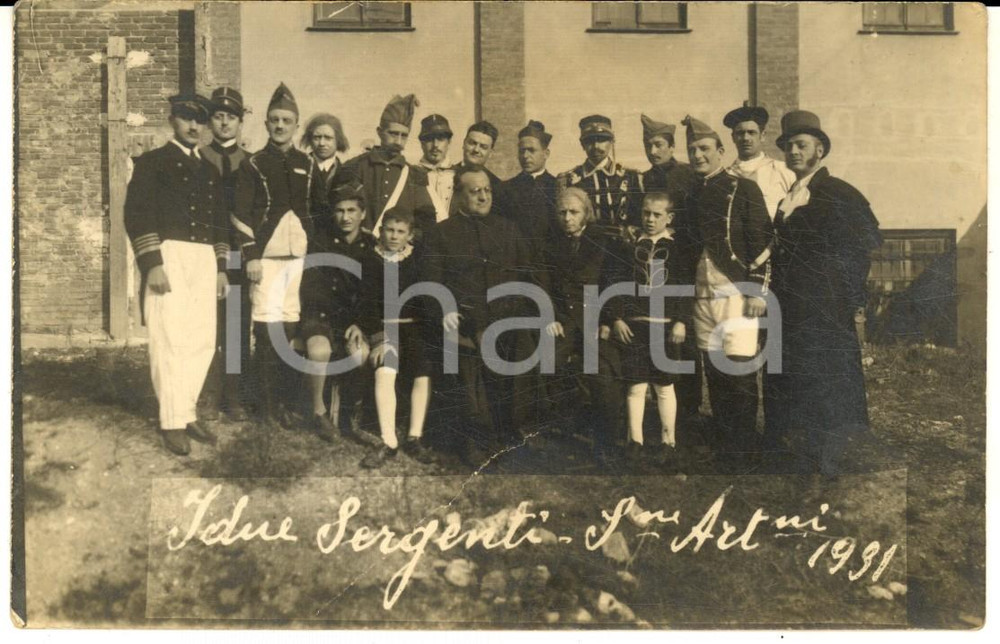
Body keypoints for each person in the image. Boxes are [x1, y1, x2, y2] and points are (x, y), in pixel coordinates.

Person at [766, 110, 882, 475]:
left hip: (823, 305)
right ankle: (799, 449)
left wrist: (843, 294)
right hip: (790, 303)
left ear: (820, 149)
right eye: (789, 147)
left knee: (825, 377)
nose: (794, 152)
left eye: (802, 145)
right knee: (796, 374)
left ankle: (827, 456)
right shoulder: (791, 194)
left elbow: (863, 246)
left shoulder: (836, 192)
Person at [124, 93, 228, 455]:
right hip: (168, 254)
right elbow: (136, 214)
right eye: (187, 119)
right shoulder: (153, 162)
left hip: (202, 260)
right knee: (169, 337)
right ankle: (171, 421)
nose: (194, 127)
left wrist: (220, 267)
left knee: (201, 339)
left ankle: (186, 411)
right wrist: (152, 262)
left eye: (201, 120)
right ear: (173, 120)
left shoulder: (210, 170)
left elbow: (219, 223)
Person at [421, 168, 536, 467]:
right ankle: (472, 438)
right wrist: (444, 309)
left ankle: (507, 433)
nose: (484, 196)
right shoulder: (441, 233)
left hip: (506, 319)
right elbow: (431, 282)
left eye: (487, 190)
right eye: (475, 191)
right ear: (459, 194)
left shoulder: (508, 229)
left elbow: (528, 274)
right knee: (466, 364)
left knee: (515, 357)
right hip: (465, 322)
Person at [233, 82, 327, 430]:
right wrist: (252, 255)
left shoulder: (308, 164)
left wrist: (313, 249)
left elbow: (319, 210)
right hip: (267, 260)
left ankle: (286, 403)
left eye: (287, 120)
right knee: (267, 328)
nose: (280, 125)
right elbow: (240, 214)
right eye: (274, 119)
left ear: (297, 124)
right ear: (267, 123)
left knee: (289, 327)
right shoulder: (254, 164)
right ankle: (267, 406)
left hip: (298, 259)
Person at [681, 115, 772, 469]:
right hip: (702, 295)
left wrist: (757, 291)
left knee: (739, 373)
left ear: (721, 151)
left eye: (704, 148)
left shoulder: (742, 188)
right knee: (714, 371)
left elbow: (762, 242)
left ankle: (745, 450)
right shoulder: (690, 192)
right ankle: (724, 444)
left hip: (736, 292)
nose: (698, 155)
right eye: (692, 150)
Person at [539, 187, 622, 467]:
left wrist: (608, 321)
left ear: (586, 213)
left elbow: (612, 285)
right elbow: (544, 284)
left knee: (600, 374)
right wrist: (549, 317)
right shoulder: (550, 243)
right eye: (562, 212)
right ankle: (565, 427)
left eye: (573, 212)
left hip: (595, 322)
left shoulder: (603, 243)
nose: (567, 218)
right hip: (563, 321)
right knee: (549, 362)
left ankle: (605, 442)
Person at [606, 192, 691, 468]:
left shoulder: (677, 248)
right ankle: (636, 441)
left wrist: (681, 320)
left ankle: (670, 442)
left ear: (669, 217)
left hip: (665, 327)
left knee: (664, 385)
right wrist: (617, 318)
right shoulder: (628, 246)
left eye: (657, 215)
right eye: (646, 213)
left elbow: (686, 287)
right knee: (636, 385)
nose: (650, 219)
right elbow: (615, 283)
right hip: (634, 326)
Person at [350, 209, 436, 468]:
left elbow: (424, 298)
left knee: (423, 372)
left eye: (400, 232)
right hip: (384, 329)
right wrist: (379, 338)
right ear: (380, 231)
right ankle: (389, 441)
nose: (394, 236)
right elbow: (366, 303)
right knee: (385, 370)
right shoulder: (369, 260)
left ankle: (414, 436)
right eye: (389, 230)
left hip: (412, 328)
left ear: (410, 235)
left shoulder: (416, 260)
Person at [299, 181, 376, 441]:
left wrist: (360, 323)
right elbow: (311, 286)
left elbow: (372, 291)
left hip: (353, 320)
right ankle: (318, 412)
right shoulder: (320, 241)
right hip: (320, 314)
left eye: (352, 211)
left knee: (360, 353)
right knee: (319, 350)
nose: (346, 217)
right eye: (340, 211)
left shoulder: (371, 245)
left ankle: (347, 417)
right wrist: (330, 317)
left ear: (362, 214)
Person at [639, 113, 702, 424]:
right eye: (649, 145)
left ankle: (690, 410)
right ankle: (663, 408)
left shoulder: (688, 174)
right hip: (655, 260)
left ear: (672, 146)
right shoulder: (646, 179)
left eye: (659, 145)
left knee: (684, 335)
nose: (654, 151)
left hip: (684, 256)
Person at [199, 86, 251, 423]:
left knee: (235, 324)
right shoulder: (200, 158)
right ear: (210, 121)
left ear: (239, 122)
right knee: (206, 326)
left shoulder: (249, 162)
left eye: (231, 117)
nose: (224, 123)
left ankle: (233, 395)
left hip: (238, 258)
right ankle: (208, 393)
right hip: (204, 256)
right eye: (218, 116)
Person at [338, 94, 436, 238]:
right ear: (379, 132)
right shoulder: (354, 167)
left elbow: (427, 221)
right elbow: (339, 212)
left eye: (404, 136)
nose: (398, 141)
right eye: (393, 133)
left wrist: (406, 239)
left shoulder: (414, 175)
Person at [558, 115, 642, 243]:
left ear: (612, 141)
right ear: (582, 144)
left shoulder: (631, 177)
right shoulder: (569, 180)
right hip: (584, 249)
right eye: (590, 141)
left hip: (623, 250)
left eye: (602, 140)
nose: (596, 146)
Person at [723, 101, 795, 220]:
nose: (746, 138)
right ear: (733, 137)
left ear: (762, 136)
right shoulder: (726, 176)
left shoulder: (783, 171)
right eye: (740, 133)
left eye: (752, 133)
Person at [499, 120, 559, 255]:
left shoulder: (557, 186)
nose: (525, 156)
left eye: (531, 150)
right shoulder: (506, 189)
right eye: (522, 151)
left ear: (546, 153)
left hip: (550, 263)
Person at [453, 121, 505, 215]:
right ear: (464, 144)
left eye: (483, 147)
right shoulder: (447, 175)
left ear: (491, 153)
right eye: (472, 143)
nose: (476, 150)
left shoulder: (497, 186)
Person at [415, 113, 456, 222]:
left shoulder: (460, 174)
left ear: (449, 142)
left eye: (441, 139)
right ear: (422, 143)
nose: (435, 145)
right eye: (429, 139)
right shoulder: (412, 175)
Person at [301, 112, 350, 195]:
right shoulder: (300, 167)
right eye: (317, 137)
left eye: (328, 138)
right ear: (310, 140)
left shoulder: (347, 173)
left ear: (338, 140)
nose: (321, 143)